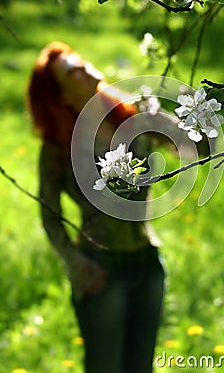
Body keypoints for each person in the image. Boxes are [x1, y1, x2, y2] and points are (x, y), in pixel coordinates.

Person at [27, 41, 166, 373]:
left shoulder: (129, 118)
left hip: (148, 264)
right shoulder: (58, 147)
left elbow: (197, 147)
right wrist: (76, 265)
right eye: (71, 72)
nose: (84, 67)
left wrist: (159, 117)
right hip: (101, 272)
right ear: (61, 96)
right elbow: (49, 213)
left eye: (79, 60)